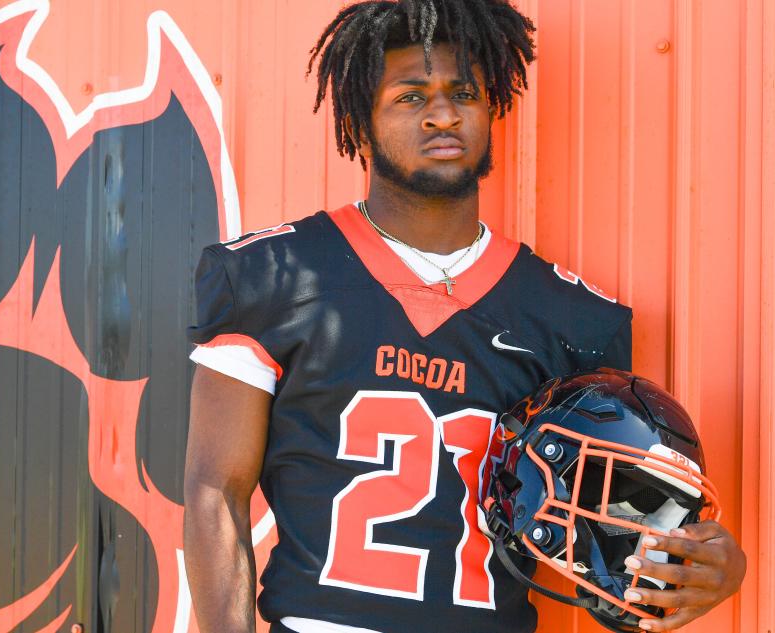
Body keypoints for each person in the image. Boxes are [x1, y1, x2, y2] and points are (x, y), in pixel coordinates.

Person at [182, 1, 746, 632]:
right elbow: (216, 492)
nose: (443, 114)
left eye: (464, 93)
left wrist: (708, 564)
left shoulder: (575, 320)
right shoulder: (271, 275)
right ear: (360, 119)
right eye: (410, 95)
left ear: (490, 108)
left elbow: (620, 534)